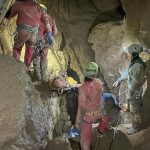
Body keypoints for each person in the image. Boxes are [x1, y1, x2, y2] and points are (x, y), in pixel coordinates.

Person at [5, 0, 51, 72]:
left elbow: (8, 16)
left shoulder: (19, 3)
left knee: (17, 49)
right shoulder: (38, 7)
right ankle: (26, 69)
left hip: (23, 30)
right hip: (34, 33)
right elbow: (46, 20)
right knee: (30, 50)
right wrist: (49, 33)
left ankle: (16, 68)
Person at [75, 62, 109, 150]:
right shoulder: (99, 83)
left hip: (89, 117)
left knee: (84, 140)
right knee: (105, 114)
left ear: (86, 71)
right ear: (96, 73)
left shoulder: (82, 88)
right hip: (100, 113)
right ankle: (101, 130)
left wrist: (77, 123)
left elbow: (81, 107)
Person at [33, 4, 57, 82]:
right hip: (47, 41)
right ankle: (44, 77)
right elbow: (55, 32)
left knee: (36, 57)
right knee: (43, 58)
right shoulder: (51, 19)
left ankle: (37, 77)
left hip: (38, 39)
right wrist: (50, 38)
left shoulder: (37, 17)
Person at [125, 44, 146, 135]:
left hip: (135, 91)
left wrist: (130, 92)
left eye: (129, 53)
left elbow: (135, 80)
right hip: (134, 90)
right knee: (133, 108)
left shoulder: (137, 65)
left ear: (133, 54)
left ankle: (136, 128)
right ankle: (134, 125)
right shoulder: (135, 62)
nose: (128, 55)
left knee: (135, 110)